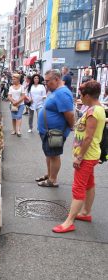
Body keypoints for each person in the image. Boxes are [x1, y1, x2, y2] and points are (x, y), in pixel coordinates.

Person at [52, 81, 106, 233]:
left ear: (88, 95)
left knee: (78, 187)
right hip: (91, 154)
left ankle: (69, 222)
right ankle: (86, 212)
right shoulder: (97, 108)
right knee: (89, 184)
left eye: (81, 95)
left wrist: (79, 156)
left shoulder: (93, 112)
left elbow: (88, 138)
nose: (80, 98)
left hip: (87, 155)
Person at [36, 69, 75, 187]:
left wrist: (71, 127)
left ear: (57, 79)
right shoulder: (55, 90)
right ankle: (49, 174)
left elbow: (70, 115)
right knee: (49, 154)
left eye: (48, 81)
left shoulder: (62, 93)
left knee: (54, 155)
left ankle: (52, 180)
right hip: (48, 131)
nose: (46, 84)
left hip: (55, 132)